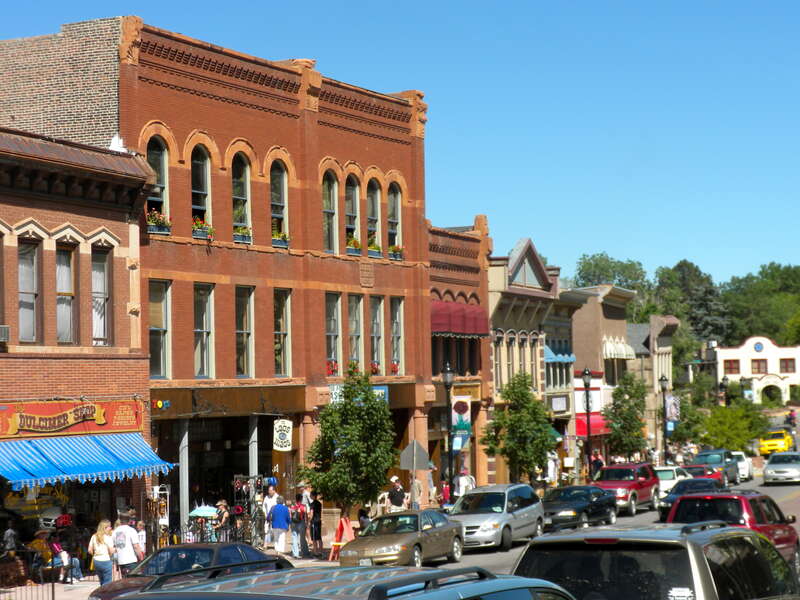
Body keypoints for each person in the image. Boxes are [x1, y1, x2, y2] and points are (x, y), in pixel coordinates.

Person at [113, 512, 144, 576]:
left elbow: (114, 547)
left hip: (121, 561)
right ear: (129, 521)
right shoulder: (131, 530)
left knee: (125, 581)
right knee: (133, 582)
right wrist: (141, 558)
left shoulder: (115, 531)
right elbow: (136, 546)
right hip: (131, 560)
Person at [88, 519, 115, 586]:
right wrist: (114, 550)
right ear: (105, 528)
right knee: (107, 582)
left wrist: (95, 554)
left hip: (96, 560)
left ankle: (101, 592)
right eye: (109, 526)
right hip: (106, 560)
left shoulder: (94, 536)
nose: (111, 528)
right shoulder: (108, 537)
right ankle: (105, 594)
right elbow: (111, 551)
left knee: (102, 580)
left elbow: (89, 550)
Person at [289, 494, 307, 559]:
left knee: (294, 538)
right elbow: (305, 511)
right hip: (301, 522)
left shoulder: (292, 506)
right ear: (301, 499)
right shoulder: (302, 506)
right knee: (302, 538)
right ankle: (304, 552)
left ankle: (295, 553)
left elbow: (290, 513)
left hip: (293, 523)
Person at [309, 491, 323, 557]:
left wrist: (309, 520)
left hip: (314, 522)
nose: (310, 496)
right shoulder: (319, 503)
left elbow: (311, 513)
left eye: (310, 495)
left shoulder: (312, 504)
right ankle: (320, 551)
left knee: (314, 538)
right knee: (319, 537)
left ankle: (315, 552)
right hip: (319, 521)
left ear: (313, 496)